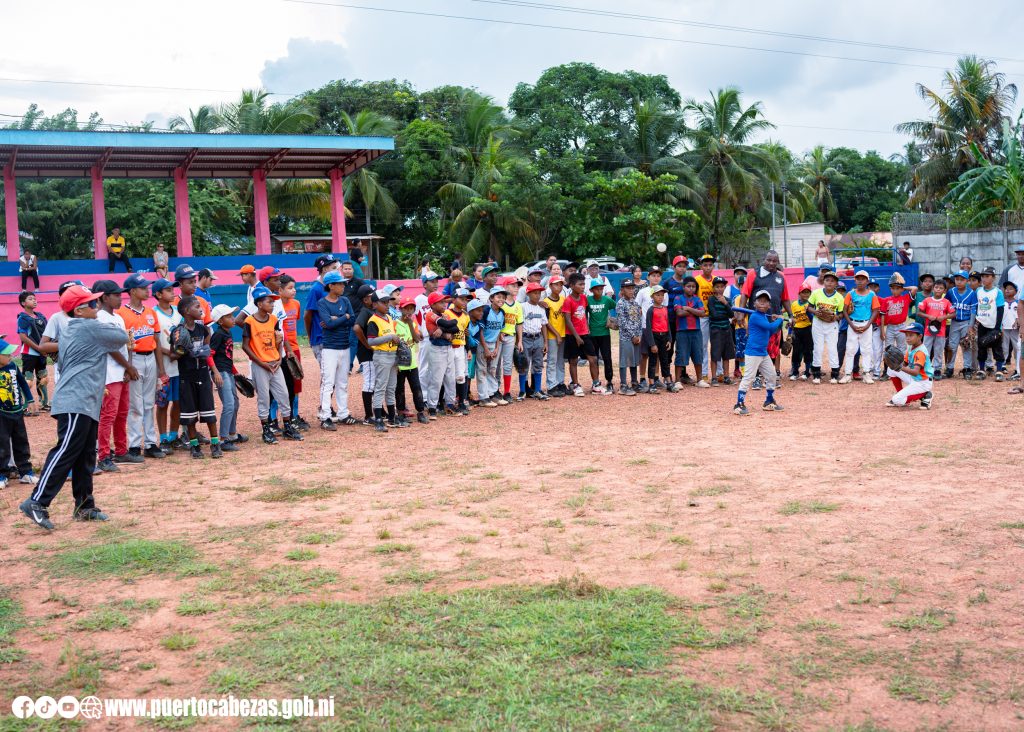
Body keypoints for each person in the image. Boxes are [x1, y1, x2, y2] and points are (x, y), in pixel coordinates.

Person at [20, 285, 129, 530]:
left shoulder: (73, 327)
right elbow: (121, 337)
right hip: (76, 401)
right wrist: (102, 316)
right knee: (67, 450)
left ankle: (85, 506)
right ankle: (37, 501)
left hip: (84, 400)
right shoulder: (89, 327)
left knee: (85, 455)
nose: (97, 306)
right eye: (92, 304)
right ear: (79, 310)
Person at [242, 285, 302, 444]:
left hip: (275, 363)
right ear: (259, 304)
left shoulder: (274, 319)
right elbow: (245, 346)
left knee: (283, 394)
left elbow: (278, 339)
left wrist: (279, 357)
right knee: (263, 398)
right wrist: (261, 363)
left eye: (273, 302)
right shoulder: (250, 321)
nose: (273, 304)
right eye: (269, 302)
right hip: (260, 365)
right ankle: (266, 430)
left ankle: (288, 427)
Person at [119, 273, 167, 459]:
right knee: (135, 405)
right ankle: (133, 445)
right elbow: (122, 345)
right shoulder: (122, 314)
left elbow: (156, 340)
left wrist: (161, 369)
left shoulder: (150, 312)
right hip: (134, 360)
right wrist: (127, 367)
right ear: (132, 291)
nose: (147, 290)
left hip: (150, 360)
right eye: (143, 287)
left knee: (149, 403)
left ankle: (149, 443)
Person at [92, 280, 135, 472]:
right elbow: (109, 347)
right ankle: (103, 455)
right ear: (104, 297)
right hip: (109, 373)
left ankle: (120, 449)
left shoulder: (117, 317)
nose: (120, 298)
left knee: (122, 413)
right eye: (116, 295)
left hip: (121, 371)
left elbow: (127, 344)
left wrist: (128, 367)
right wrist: (128, 366)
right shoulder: (99, 318)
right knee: (108, 415)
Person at [174, 295, 223, 459]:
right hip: (186, 376)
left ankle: (215, 443)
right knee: (189, 415)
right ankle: (194, 446)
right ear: (187, 311)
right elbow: (175, 353)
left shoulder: (204, 330)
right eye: (197, 306)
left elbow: (208, 351)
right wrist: (181, 351)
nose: (201, 309)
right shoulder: (179, 331)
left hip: (202, 373)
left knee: (209, 411)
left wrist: (213, 369)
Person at [732, 290, 785, 415]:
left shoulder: (763, 317)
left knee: (771, 375)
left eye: (765, 301)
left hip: (762, 352)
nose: (762, 303)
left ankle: (769, 401)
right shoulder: (755, 316)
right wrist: (780, 319)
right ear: (754, 304)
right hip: (753, 352)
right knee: (749, 377)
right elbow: (771, 328)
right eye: (759, 301)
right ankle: (739, 405)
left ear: (769, 306)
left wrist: (774, 321)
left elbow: (770, 332)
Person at [316, 271, 357, 430]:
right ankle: (325, 416)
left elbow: (352, 320)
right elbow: (328, 323)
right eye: (339, 284)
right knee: (328, 383)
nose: (343, 286)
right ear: (330, 286)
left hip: (344, 346)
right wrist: (344, 317)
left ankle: (343, 413)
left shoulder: (345, 300)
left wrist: (338, 319)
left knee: (342, 382)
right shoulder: (322, 303)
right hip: (330, 349)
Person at [0, 336, 36, 489]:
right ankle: (2, 475)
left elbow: (22, 383)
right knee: (2, 445)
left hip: (17, 411)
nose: (10, 356)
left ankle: (26, 472)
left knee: (21, 441)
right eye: (6, 354)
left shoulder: (13, 367)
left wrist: (30, 399)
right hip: (2, 414)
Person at [151, 278, 183, 451]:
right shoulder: (153, 313)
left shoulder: (178, 312)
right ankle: (163, 438)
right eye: (168, 290)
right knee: (162, 403)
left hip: (179, 364)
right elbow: (154, 341)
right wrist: (168, 353)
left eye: (172, 289)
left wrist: (178, 353)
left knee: (178, 402)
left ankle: (173, 435)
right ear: (158, 294)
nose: (172, 292)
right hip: (162, 364)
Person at [365, 290, 403, 431]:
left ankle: (392, 417)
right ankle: (379, 419)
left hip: (392, 355)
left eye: (388, 302)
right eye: (383, 302)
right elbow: (371, 341)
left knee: (391, 388)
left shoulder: (389, 319)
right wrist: (390, 337)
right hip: (381, 355)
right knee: (380, 387)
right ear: (375, 304)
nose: (387, 305)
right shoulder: (373, 320)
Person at [209, 304, 244, 451]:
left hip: (228, 371)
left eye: (232, 315)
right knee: (229, 405)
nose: (233, 318)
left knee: (235, 403)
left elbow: (227, 356)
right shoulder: (218, 335)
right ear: (220, 321)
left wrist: (235, 372)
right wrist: (216, 373)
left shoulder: (228, 333)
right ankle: (223, 440)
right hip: (220, 373)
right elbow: (210, 355)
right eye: (229, 316)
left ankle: (231, 434)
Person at [562, 273, 603, 396]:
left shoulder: (584, 298)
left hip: (585, 334)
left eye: (584, 284)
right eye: (580, 284)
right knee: (573, 361)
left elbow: (584, 314)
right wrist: (576, 336)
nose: (582, 286)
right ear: (572, 285)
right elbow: (567, 320)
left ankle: (596, 384)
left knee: (593, 359)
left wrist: (586, 329)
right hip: (572, 335)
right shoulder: (568, 301)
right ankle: (575, 385)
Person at [37, 280, 83, 385]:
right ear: (61, 298)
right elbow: (42, 346)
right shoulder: (57, 317)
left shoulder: (89, 315)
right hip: (65, 368)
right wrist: (68, 342)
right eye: (67, 294)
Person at [839, 271, 879, 384]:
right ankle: (847, 374)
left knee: (866, 349)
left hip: (866, 323)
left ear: (867, 281)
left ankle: (866, 373)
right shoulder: (850, 294)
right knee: (851, 349)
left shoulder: (871, 294)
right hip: (853, 323)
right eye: (858, 278)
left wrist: (867, 325)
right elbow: (844, 310)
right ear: (855, 280)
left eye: (863, 279)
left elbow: (876, 310)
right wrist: (851, 325)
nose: (860, 281)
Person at [278, 274, 307, 429]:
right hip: (280, 350)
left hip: (294, 348)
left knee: (296, 383)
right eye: (290, 288)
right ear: (280, 290)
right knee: (280, 384)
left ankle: (294, 416)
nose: (294, 290)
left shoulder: (295, 304)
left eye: (294, 287)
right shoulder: (274, 305)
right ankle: (275, 418)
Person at [422, 291, 457, 417]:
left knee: (450, 378)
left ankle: (450, 404)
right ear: (433, 304)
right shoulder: (430, 314)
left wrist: (442, 330)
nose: (444, 304)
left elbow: (455, 327)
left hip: (448, 348)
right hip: (436, 349)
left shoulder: (445, 315)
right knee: (436, 380)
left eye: (444, 302)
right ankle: (432, 407)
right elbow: (449, 324)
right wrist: (445, 329)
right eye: (441, 302)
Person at [395, 297, 429, 424]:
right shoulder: (394, 324)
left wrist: (410, 324)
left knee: (416, 387)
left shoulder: (413, 324)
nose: (409, 311)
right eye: (406, 309)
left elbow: (416, 339)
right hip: (399, 363)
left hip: (412, 363)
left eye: (411, 309)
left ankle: (420, 411)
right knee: (399, 389)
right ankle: (401, 411)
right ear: (400, 309)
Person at [807, 271, 845, 384]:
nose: (829, 282)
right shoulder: (816, 293)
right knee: (818, 348)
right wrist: (815, 312)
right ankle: (816, 374)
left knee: (832, 348)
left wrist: (836, 317)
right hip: (818, 322)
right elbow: (809, 307)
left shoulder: (839, 297)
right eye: (827, 280)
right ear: (823, 281)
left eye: (832, 281)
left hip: (831, 324)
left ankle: (834, 374)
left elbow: (842, 313)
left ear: (836, 284)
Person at [304, 254, 341, 368]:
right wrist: (311, 336)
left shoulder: (333, 287)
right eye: (333, 268)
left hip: (335, 337)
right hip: (321, 338)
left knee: (337, 373)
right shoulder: (316, 289)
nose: (337, 271)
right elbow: (307, 315)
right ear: (324, 269)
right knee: (328, 375)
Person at [16, 291, 49, 414]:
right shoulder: (22, 318)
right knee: (28, 380)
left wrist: (46, 348)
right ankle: (25, 406)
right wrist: (40, 348)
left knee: (44, 378)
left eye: (35, 298)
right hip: (29, 353)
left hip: (41, 353)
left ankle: (44, 403)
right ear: (23, 303)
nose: (34, 300)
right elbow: (23, 337)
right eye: (30, 299)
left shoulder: (41, 316)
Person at [886, 323, 933, 409]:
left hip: (922, 382)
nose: (907, 338)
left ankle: (925, 394)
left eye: (911, 335)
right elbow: (905, 363)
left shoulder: (920, 352)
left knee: (896, 400)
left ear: (920, 336)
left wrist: (900, 367)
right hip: (914, 379)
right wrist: (895, 363)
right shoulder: (911, 347)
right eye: (906, 335)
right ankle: (901, 393)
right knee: (891, 369)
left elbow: (915, 372)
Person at [672, 276, 708, 389]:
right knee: (681, 355)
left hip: (696, 331)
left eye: (693, 287)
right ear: (684, 287)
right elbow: (679, 313)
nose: (691, 289)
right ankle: (677, 381)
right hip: (682, 331)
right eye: (688, 286)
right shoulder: (678, 298)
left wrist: (687, 308)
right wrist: (695, 311)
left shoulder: (697, 299)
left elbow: (703, 314)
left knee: (698, 355)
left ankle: (700, 380)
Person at [352, 284, 380, 424]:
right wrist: (367, 345)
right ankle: (368, 416)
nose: (374, 297)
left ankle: (377, 411)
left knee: (375, 382)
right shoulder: (365, 311)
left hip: (373, 353)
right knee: (369, 383)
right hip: (366, 354)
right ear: (365, 300)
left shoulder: (373, 311)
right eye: (371, 296)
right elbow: (357, 328)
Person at [477, 287, 507, 407]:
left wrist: (496, 348)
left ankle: (493, 394)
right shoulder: (485, 310)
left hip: (494, 344)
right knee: (482, 370)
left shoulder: (502, 312)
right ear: (491, 298)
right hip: (483, 344)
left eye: (503, 297)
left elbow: (499, 331)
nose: (501, 299)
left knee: (492, 369)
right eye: (498, 297)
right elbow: (481, 331)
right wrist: (485, 349)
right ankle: (483, 397)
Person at [945, 270, 978, 379]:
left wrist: (971, 325)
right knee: (952, 346)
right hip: (954, 322)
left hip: (966, 322)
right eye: (957, 279)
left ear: (967, 281)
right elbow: (945, 305)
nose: (959, 282)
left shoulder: (971, 293)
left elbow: (973, 310)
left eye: (962, 280)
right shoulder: (951, 292)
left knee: (966, 345)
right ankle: (949, 368)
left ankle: (967, 368)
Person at [974, 266, 1005, 379]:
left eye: (987, 276)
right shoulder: (979, 291)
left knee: (997, 348)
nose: (984, 279)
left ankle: (999, 370)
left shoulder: (997, 292)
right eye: (983, 276)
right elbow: (977, 306)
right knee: (981, 347)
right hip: (982, 323)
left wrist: (998, 327)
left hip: (994, 324)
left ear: (993, 278)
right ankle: (981, 370)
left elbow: (1000, 309)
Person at [586, 279, 616, 393]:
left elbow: (615, 306)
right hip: (592, 334)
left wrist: (611, 320)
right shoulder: (588, 300)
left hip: (604, 333)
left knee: (607, 357)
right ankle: (596, 382)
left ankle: (609, 381)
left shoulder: (607, 299)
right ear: (591, 290)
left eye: (601, 288)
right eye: (597, 289)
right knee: (594, 359)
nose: (599, 291)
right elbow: (584, 313)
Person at [919, 278, 953, 377]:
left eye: (941, 288)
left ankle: (937, 369)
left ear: (944, 290)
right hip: (928, 331)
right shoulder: (927, 300)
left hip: (941, 331)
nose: (938, 289)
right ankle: (926, 368)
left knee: (938, 350)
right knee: (926, 349)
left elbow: (953, 313)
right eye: (936, 287)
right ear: (933, 288)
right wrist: (928, 316)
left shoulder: (946, 302)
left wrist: (944, 317)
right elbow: (919, 312)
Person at [521, 282, 549, 399]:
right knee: (524, 365)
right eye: (535, 293)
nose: (537, 295)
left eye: (539, 293)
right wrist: (519, 340)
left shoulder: (541, 309)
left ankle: (537, 390)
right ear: (528, 294)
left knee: (538, 364)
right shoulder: (522, 306)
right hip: (525, 338)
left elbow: (543, 325)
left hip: (537, 338)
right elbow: (519, 324)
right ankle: (522, 391)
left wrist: (546, 342)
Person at [643, 286, 672, 393]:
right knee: (653, 361)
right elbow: (648, 328)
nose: (660, 297)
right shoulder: (651, 310)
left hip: (664, 337)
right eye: (657, 295)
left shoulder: (665, 309)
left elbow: (667, 324)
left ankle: (669, 382)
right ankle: (651, 384)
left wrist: (669, 339)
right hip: (654, 337)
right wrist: (652, 344)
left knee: (665, 360)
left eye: (662, 295)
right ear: (652, 296)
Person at [708, 277, 737, 386]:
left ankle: (726, 376)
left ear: (725, 287)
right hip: (716, 329)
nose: (719, 289)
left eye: (722, 286)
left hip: (726, 329)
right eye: (717, 286)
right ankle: (714, 378)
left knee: (727, 354)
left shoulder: (727, 300)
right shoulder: (711, 299)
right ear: (713, 288)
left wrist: (725, 303)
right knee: (715, 353)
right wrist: (725, 313)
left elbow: (732, 314)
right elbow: (714, 315)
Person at [615, 280, 642, 395]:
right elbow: (622, 322)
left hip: (636, 337)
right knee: (625, 361)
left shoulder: (635, 303)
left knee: (634, 360)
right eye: (628, 288)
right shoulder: (621, 303)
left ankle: (634, 383)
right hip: (626, 337)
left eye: (632, 288)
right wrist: (632, 335)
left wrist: (639, 335)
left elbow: (639, 319)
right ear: (622, 290)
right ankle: (623, 385)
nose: (631, 290)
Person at [880, 273, 915, 358]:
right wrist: (882, 331)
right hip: (890, 327)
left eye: (898, 288)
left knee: (902, 347)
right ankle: (887, 368)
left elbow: (914, 289)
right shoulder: (887, 300)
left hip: (901, 326)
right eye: (893, 288)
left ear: (902, 289)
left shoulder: (905, 298)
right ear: (890, 289)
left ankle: (901, 368)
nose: (895, 290)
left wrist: (904, 288)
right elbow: (883, 316)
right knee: (888, 347)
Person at [542, 276, 567, 396]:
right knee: (552, 360)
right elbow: (546, 322)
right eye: (556, 284)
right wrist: (556, 334)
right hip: (552, 336)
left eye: (561, 284)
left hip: (563, 334)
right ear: (551, 286)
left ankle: (560, 382)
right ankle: (551, 386)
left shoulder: (563, 299)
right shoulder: (546, 302)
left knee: (561, 361)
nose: (559, 287)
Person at [694, 254, 717, 381]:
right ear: (701, 266)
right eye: (705, 265)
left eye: (710, 265)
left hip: (715, 316)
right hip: (702, 316)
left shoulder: (716, 279)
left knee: (716, 344)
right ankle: (703, 373)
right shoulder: (697, 280)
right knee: (702, 344)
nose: (708, 267)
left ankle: (718, 373)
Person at [788, 285, 813, 380]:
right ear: (799, 293)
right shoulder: (794, 304)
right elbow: (792, 320)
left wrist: (808, 311)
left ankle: (807, 372)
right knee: (796, 352)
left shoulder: (811, 305)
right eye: (803, 292)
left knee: (808, 351)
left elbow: (812, 319)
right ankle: (795, 372)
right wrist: (790, 333)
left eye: (808, 292)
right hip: (797, 330)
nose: (806, 294)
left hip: (808, 329)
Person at [1001, 281, 1019, 380]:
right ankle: (1002, 365)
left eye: (1011, 288)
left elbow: (1019, 314)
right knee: (1004, 347)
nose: (1007, 290)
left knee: (1017, 348)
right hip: (1004, 328)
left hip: (1015, 329)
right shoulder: (1002, 302)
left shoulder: (1017, 303)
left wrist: (1017, 321)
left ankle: (1018, 367)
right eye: (1006, 288)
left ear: (1015, 292)